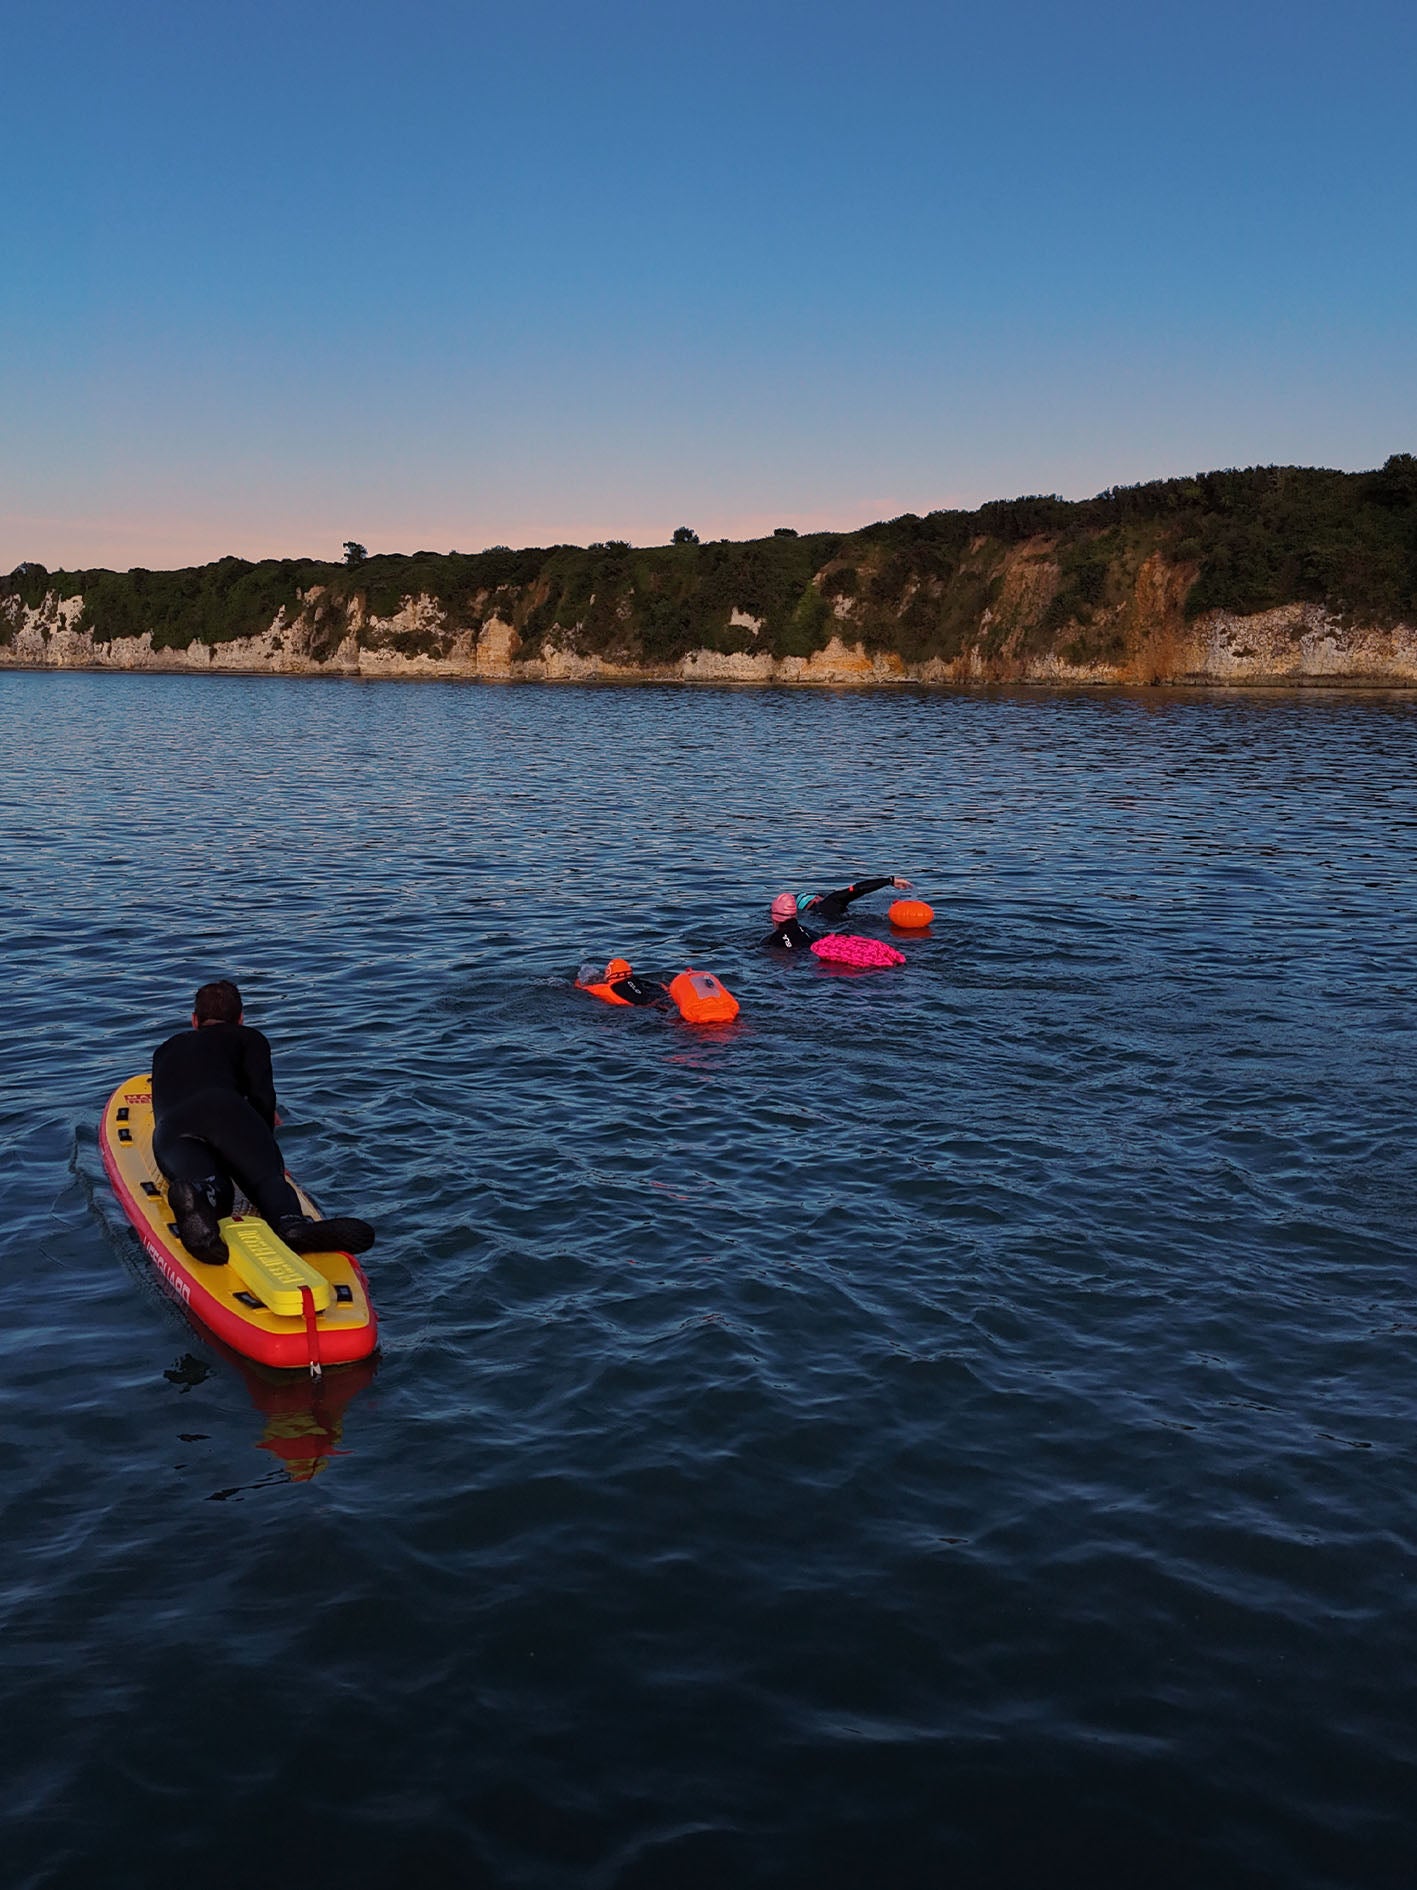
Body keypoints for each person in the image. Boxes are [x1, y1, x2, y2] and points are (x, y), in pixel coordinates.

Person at [151, 979, 375, 1266]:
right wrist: (259, 1144)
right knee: (265, 1180)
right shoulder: (249, 1038)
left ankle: (198, 1195)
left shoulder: (165, 1049)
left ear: (194, 1020)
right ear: (241, 1020)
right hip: (227, 1109)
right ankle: (292, 1225)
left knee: (212, 1185)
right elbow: (262, 1097)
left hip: (172, 1128)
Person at [761, 875, 913, 951]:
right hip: (864, 929)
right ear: (815, 900)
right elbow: (857, 889)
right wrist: (889, 880)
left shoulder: (810, 924)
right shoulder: (829, 903)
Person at [575, 957, 670, 1007]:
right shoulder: (641, 982)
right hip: (661, 1001)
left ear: (608, 973)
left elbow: (581, 986)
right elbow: (664, 987)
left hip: (637, 1010)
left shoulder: (605, 988)